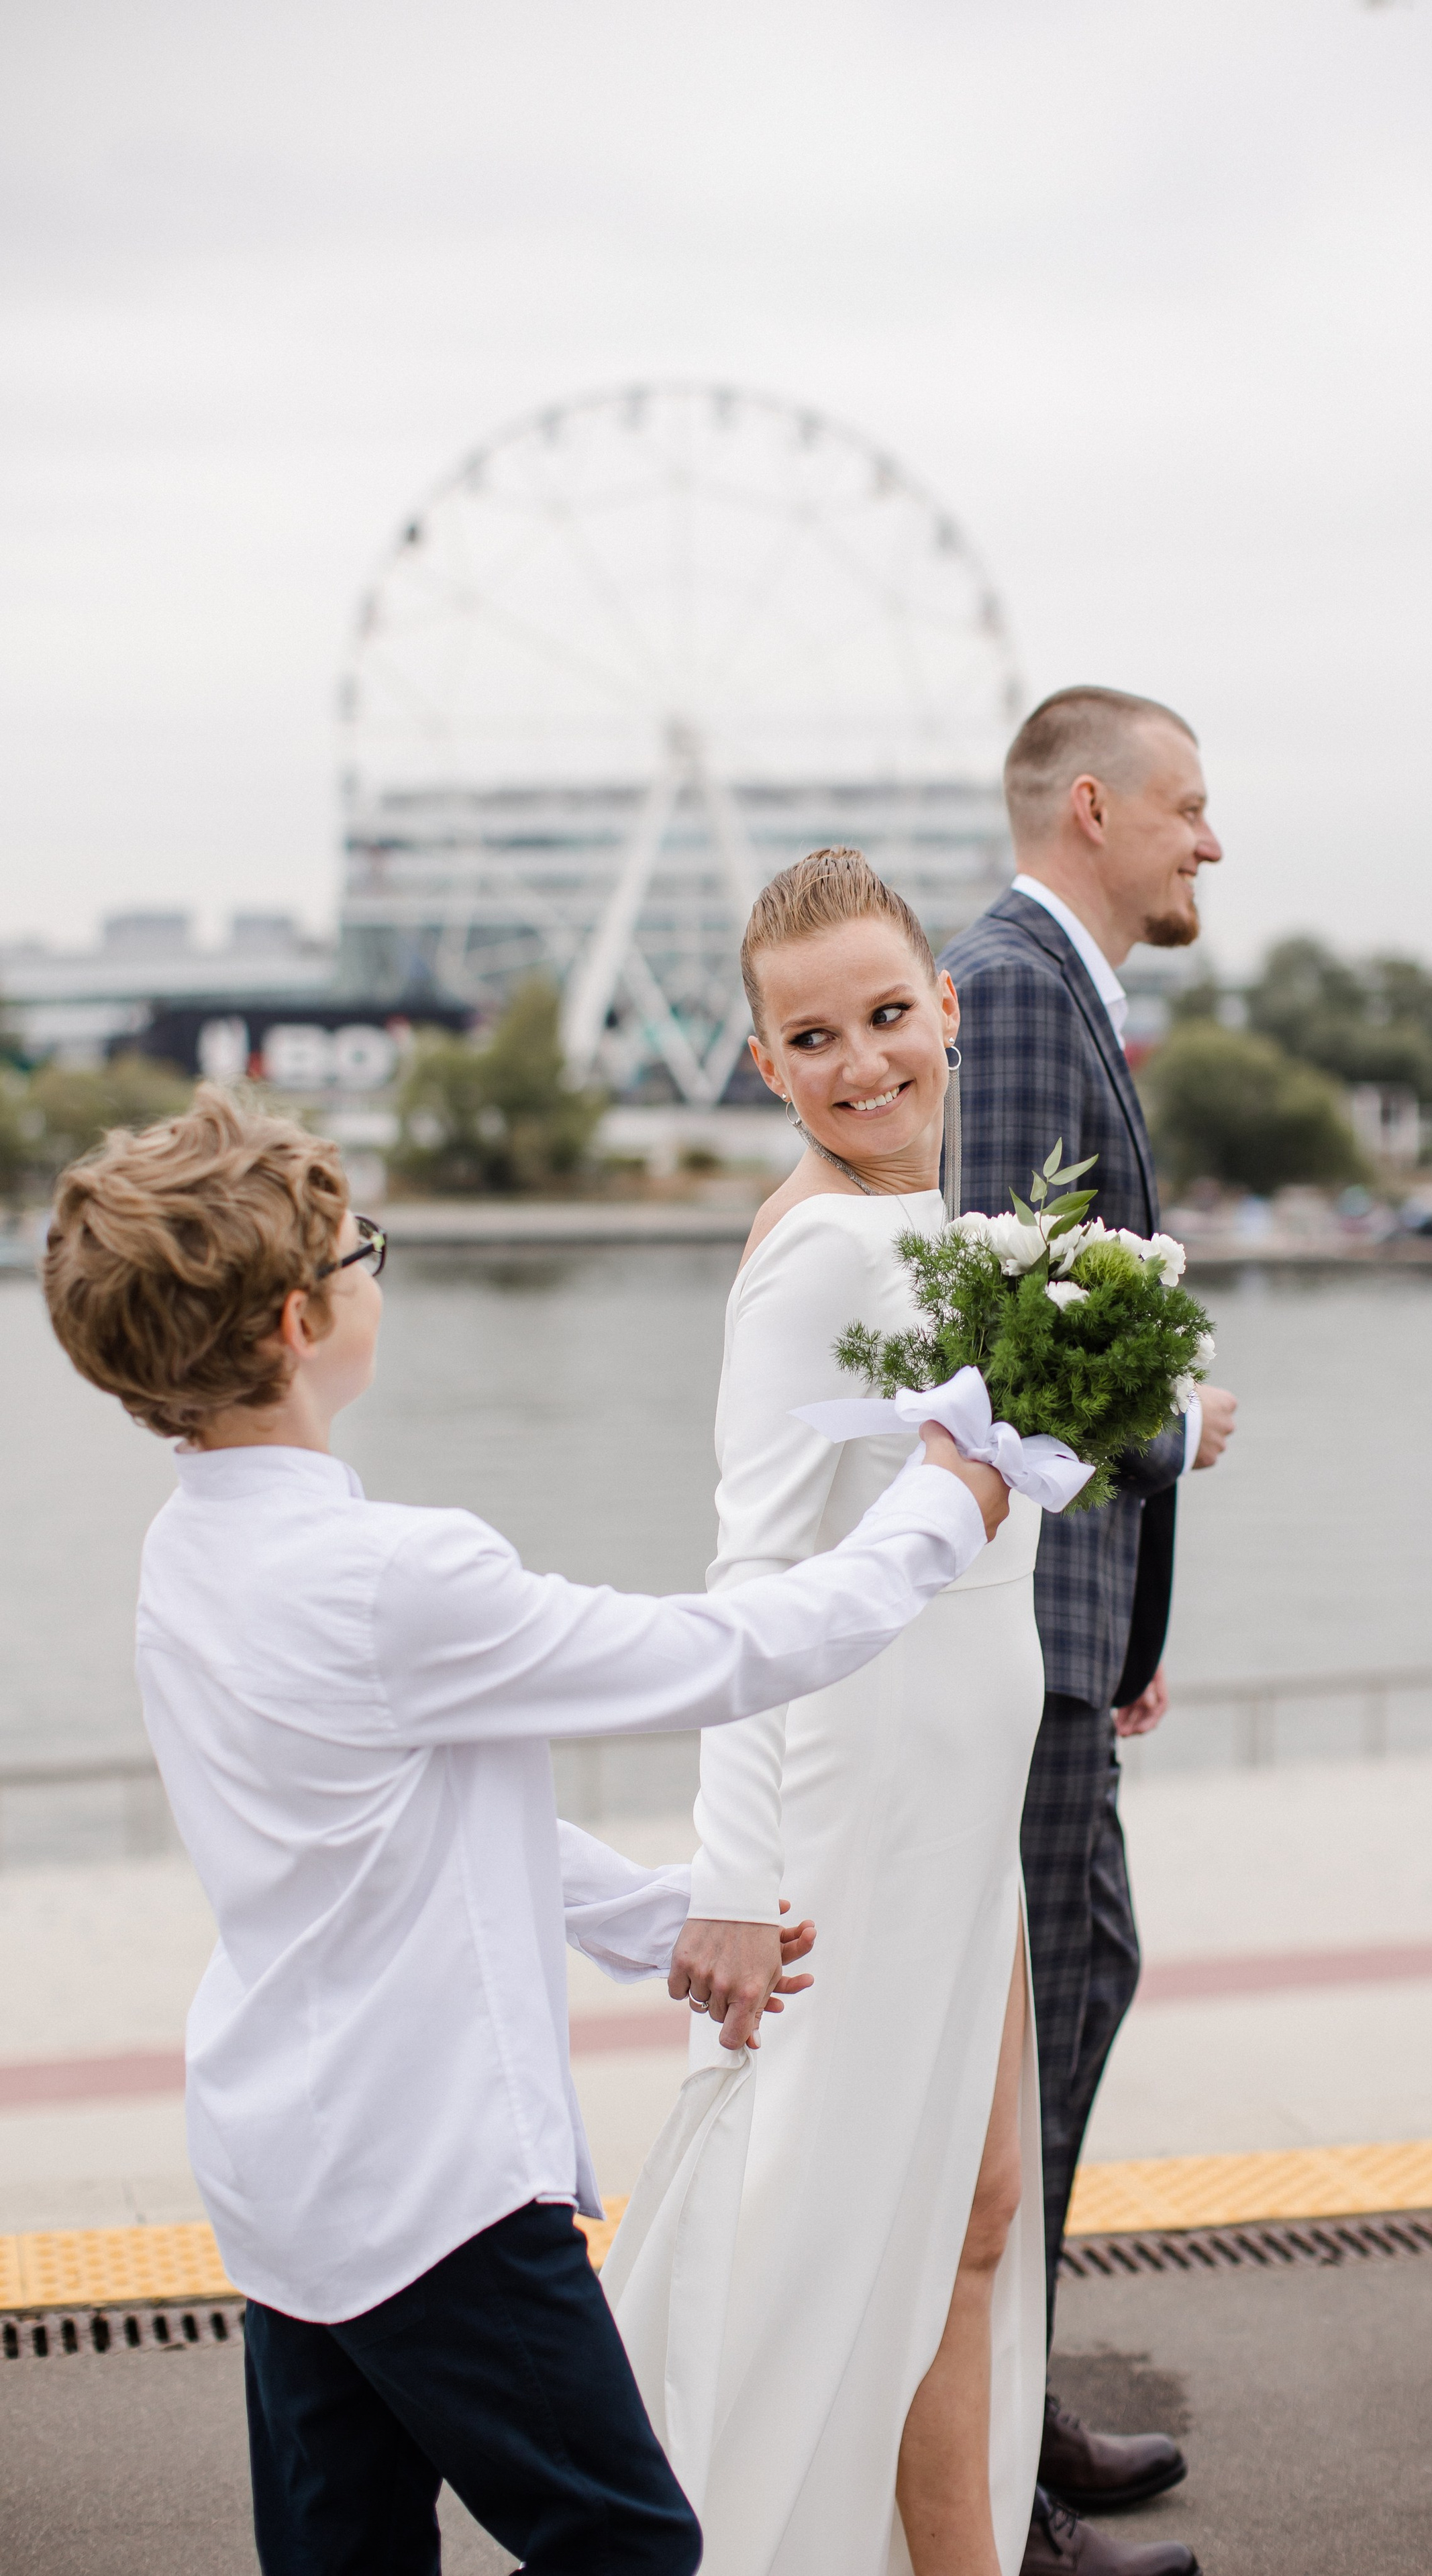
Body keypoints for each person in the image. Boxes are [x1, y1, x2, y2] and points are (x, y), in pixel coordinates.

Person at [40, 1084, 1011, 2576]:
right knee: (623, 2542)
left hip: (277, 2167)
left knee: (347, 2553)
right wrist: (949, 1496)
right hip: (429, 2185)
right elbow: (727, 1649)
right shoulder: (394, 1578)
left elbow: (387, 1828)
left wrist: (653, 1914)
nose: (375, 1270)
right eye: (360, 1249)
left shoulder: (187, 1558)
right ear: (300, 1322)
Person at [605, 849, 1052, 2576]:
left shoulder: (935, 1222)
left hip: (964, 1797)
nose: (862, 1063)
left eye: (886, 1016)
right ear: (760, 1061)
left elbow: (970, 1484)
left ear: (945, 1008)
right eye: (814, 1039)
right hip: (864, 1807)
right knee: (838, 2227)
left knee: (972, 2216)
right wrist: (730, 1878)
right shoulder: (813, 1258)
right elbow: (749, 1575)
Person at [941, 688, 1237, 2576]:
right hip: (1021, 1622)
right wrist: (1167, 1427)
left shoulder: (1045, 987)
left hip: (1068, 1623)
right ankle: (991, 2480)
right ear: (1094, 806)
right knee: (1042, 2015)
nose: (1212, 844)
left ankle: (1011, 2412)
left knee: (1070, 1990)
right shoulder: (1027, 988)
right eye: (1192, 808)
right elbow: (992, 1316)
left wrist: (1126, 1626)